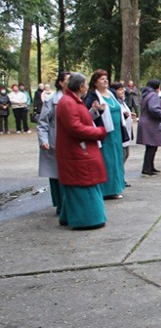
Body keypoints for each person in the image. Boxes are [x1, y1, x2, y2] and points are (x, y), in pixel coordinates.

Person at [56, 72, 108, 230]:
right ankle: (88, 219)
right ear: (80, 86)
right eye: (85, 84)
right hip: (77, 151)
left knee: (78, 185)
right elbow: (75, 128)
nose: (87, 87)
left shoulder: (73, 101)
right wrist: (99, 132)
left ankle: (68, 215)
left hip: (79, 150)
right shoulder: (68, 102)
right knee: (83, 184)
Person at [85, 70, 126, 199]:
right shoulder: (92, 96)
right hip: (105, 132)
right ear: (95, 82)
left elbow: (120, 107)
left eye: (106, 78)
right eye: (102, 79)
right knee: (107, 160)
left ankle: (117, 187)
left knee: (117, 158)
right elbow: (87, 115)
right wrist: (96, 109)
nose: (105, 81)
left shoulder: (112, 93)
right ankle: (106, 190)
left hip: (117, 132)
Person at [37, 72, 69, 215]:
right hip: (55, 141)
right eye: (68, 80)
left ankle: (68, 203)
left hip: (71, 141)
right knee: (56, 175)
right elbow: (43, 122)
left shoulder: (77, 98)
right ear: (61, 83)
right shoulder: (51, 100)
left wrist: (95, 111)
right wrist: (43, 140)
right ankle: (60, 204)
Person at [137, 79, 161, 175]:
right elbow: (153, 108)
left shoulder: (146, 94)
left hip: (146, 122)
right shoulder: (153, 95)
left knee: (151, 146)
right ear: (157, 87)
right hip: (151, 123)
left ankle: (150, 166)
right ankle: (147, 168)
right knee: (151, 146)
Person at [110, 82, 134, 187]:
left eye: (123, 89)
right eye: (120, 89)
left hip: (126, 134)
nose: (123, 91)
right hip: (120, 135)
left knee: (126, 155)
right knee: (121, 157)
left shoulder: (122, 101)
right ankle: (120, 178)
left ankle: (121, 177)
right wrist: (124, 116)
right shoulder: (114, 103)